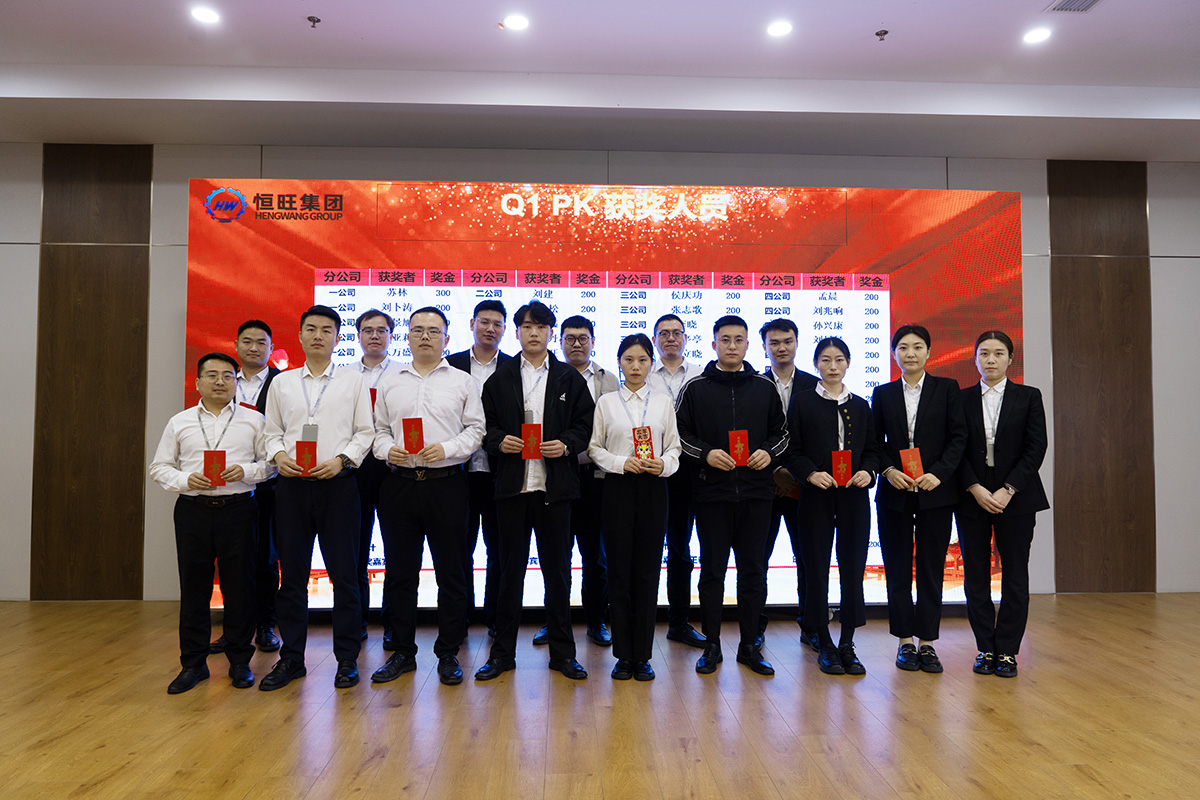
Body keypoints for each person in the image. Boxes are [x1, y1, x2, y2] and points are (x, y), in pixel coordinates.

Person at [474, 301, 595, 682]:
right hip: (513, 488)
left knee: (557, 574)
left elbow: (585, 426)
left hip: (555, 489)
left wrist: (567, 444)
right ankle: (502, 654)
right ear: (517, 332)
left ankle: (563, 654)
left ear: (550, 334)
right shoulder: (500, 378)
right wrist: (499, 441)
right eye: (527, 327)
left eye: (541, 327)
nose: (534, 333)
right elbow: (484, 426)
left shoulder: (569, 378)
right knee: (508, 574)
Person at [261, 305, 374, 691]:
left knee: (345, 577)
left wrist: (342, 460)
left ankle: (347, 660)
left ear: (337, 338)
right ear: (300, 335)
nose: (318, 336)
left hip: (337, 487)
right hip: (292, 488)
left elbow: (365, 432)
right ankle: (292, 659)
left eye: (327, 330)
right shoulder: (282, 383)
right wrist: (279, 456)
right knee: (291, 578)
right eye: (311, 329)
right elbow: (271, 432)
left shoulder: (352, 381)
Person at [370, 307, 485, 686]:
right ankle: (402, 652)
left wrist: (448, 448)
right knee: (400, 573)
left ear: (446, 339)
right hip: (400, 485)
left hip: (447, 485)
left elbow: (476, 430)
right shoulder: (391, 382)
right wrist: (387, 450)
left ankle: (448, 652)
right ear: (407, 336)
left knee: (451, 572)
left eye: (433, 331)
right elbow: (379, 430)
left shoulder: (462, 381)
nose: (424, 336)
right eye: (417, 330)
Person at [150, 353, 276, 693]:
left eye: (227, 375)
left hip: (239, 510)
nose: (220, 381)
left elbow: (271, 464)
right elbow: (159, 467)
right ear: (197, 382)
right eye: (212, 375)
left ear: (237, 383)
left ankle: (239, 661)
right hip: (193, 511)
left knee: (240, 587)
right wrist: (185, 479)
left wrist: (246, 471)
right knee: (194, 588)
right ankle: (193, 664)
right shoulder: (180, 422)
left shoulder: (254, 421)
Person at [675, 315, 789, 676]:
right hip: (712, 494)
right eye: (725, 339)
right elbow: (678, 434)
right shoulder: (695, 388)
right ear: (713, 344)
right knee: (712, 572)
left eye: (739, 340)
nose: (732, 346)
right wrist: (706, 454)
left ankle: (749, 645)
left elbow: (783, 433)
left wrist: (768, 453)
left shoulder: (765, 387)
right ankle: (712, 645)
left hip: (757, 493)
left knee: (754, 571)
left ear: (748, 345)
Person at [872, 323, 967, 674]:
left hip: (935, 493)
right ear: (894, 353)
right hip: (895, 493)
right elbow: (874, 442)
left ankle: (927, 642)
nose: (910, 353)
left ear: (929, 351)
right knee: (897, 568)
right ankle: (904, 642)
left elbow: (958, 437)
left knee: (930, 568)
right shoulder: (883, 393)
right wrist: (888, 470)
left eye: (917, 347)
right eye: (903, 347)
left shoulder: (947, 388)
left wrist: (938, 473)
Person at [955, 330, 1048, 678]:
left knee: (1015, 574)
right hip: (972, 498)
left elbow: (1036, 448)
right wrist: (975, 487)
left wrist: (1009, 489)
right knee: (975, 575)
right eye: (984, 353)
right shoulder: (960, 399)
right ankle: (985, 648)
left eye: (998, 353)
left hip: (1017, 498)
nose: (990, 359)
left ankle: (1007, 650)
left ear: (1010, 359)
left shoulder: (1029, 396)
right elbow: (955, 448)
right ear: (975, 359)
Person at [783, 338, 879, 675]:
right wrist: (810, 473)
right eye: (825, 360)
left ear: (848, 363)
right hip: (816, 496)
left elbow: (873, 450)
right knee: (815, 568)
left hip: (854, 497)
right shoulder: (802, 402)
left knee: (853, 569)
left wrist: (868, 472)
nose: (833, 366)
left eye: (839, 359)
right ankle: (823, 641)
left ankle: (847, 643)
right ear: (816, 364)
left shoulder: (862, 405)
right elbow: (791, 450)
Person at [587, 333, 681, 681]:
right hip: (618, 488)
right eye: (629, 359)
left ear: (651, 364)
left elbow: (674, 448)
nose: (636, 366)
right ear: (619, 363)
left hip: (654, 488)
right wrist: (621, 463)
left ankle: (643, 656)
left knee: (647, 571)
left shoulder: (663, 402)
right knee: (618, 572)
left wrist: (663, 464)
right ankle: (623, 655)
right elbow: (594, 448)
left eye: (642, 360)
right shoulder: (607, 402)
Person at [537, 314, 618, 648]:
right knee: (556, 556)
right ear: (560, 342)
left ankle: (596, 620)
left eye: (583, 338)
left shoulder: (608, 379)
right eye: (569, 338)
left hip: (595, 477)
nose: (576, 344)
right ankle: (554, 622)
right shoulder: (548, 376)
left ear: (593, 342)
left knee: (595, 556)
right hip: (557, 476)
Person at [209, 320, 281, 655]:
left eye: (261, 342)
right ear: (235, 345)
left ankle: (266, 624)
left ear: (271, 347)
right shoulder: (223, 381)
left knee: (266, 557)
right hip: (229, 485)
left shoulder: (284, 383)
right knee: (231, 559)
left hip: (269, 483)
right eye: (247, 341)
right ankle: (235, 629)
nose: (254, 348)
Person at [446, 300, 511, 638]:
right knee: (459, 549)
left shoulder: (514, 367)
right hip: (458, 473)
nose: (490, 329)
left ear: (505, 329)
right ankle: (461, 617)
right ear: (472, 323)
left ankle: (496, 618)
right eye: (484, 322)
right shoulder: (450, 365)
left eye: (497, 324)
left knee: (500, 549)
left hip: (501, 472)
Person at [758, 318, 819, 650]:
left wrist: (794, 474)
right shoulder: (753, 384)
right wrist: (775, 472)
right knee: (757, 560)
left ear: (797, 343)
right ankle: (755, 626)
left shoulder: (814, 384)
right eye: (774, 342)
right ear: (764, 346)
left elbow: (818, 438)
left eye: (787, 341)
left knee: (808, 559)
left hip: (803, 488)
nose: (781, 348)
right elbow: (749, 434)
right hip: (763, 487)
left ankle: (811, 625)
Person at [647, 313, 707, 649]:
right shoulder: (643, 373)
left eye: (676, 333)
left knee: (682, 551)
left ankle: (679, 622)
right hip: (652, 471)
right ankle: (640, 621)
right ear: (655, 339)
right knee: (647, 550)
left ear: (686, 337)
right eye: (663, 333)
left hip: (693, 472)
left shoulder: (701, 373)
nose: (670, 338)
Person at [351, 309, 398, 647]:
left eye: (382, 330)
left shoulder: (403, 374)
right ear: (358, 336)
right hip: (354, 468)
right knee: (355, 547)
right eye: (368, 330)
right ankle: (357, 619)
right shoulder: (343, 376)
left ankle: (393, 621)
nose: (375, 336)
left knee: (396, 547)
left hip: (392, 468)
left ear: (391, 336)